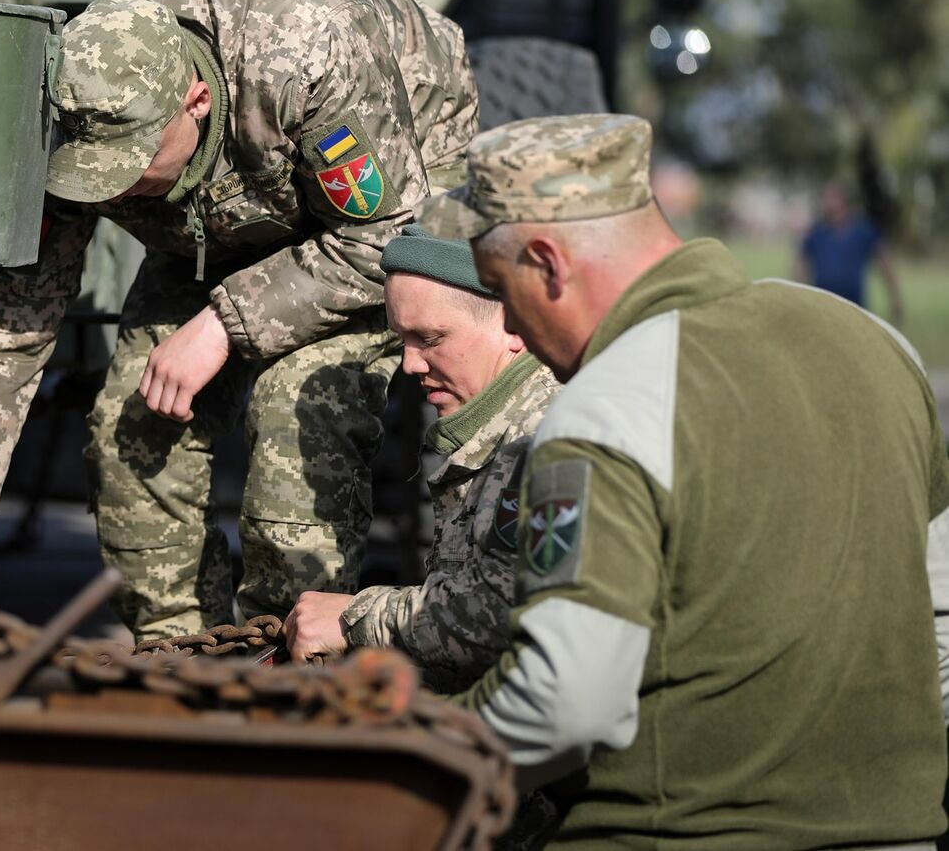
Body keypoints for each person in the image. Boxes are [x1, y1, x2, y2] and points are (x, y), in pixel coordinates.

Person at [0, 0, 478, 640]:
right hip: (224, 207)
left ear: (195, 101)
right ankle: (181, 657)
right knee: (129, 428)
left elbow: (382, 236)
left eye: (133, 164)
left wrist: (222, 323)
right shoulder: (75, 102)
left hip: (387, 184)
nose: (112, 187)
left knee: (300, 413)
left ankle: (291, 667)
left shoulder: (305, 58)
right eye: (94, 170)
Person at [421, 114, 949, 848]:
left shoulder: (602, 409)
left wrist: (414, 754)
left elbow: (565, 704)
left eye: (498, 289)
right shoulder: (877, 345)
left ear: (548, 262)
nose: (508, 321)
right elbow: (939, 618)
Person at [282, 225, 558, 691]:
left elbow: (502, 613)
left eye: (429, 339)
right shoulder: (499, 423)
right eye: (401, 340)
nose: (410, 365)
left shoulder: (541, 436)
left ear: (514, 325)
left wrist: (353, 621)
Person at [796, 181, 904, 324]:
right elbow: (801, 266)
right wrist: (797, 298)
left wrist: (895, 299)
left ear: (843, 201)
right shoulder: (816, 233)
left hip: (855, 309)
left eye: (831, 197)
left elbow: (884, 265)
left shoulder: (863, 232)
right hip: (821, 308)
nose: (826, 202)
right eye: (825, 198)